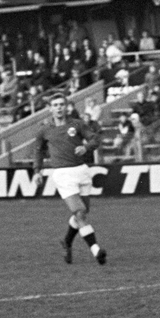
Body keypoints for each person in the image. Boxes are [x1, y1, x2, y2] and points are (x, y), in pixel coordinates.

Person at [33, 94, 106, 265]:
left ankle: (67, 241)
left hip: (81, 171)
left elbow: (95, 139)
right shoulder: (44, 130)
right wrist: (37, 170)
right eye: (55, 105)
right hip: (62, 174)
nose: (59, 107)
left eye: (61, 104)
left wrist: (86, 146)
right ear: (50, 108)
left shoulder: (77, 124)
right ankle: (96, 250)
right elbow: (38, 151)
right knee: (79, 212)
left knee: (83, 213)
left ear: (66, 107)